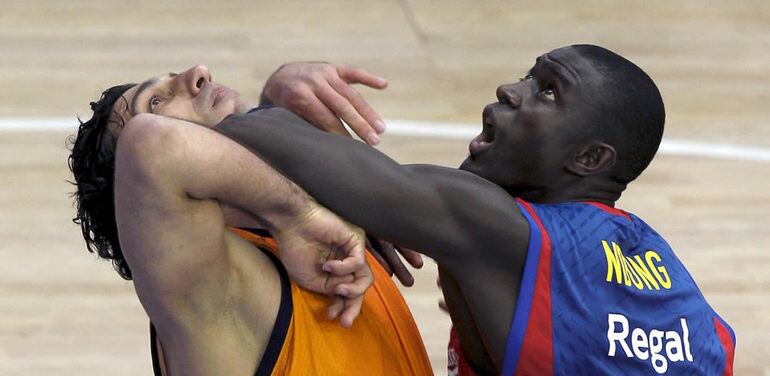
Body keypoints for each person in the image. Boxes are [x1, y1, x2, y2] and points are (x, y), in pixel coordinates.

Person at [204, 44, 736, 375]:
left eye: (548, 93)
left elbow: (266, 141)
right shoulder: (668, 278)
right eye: (529, 75)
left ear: (590, 159)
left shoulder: (503, 230)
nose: (510, 89)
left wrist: (274, 98)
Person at [68, 65, 432, 375]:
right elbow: (153, 145)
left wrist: (277, 107)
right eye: (157, 101)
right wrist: (296, 213)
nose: (197, 73)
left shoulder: (311, 225)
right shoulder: (208, 289)